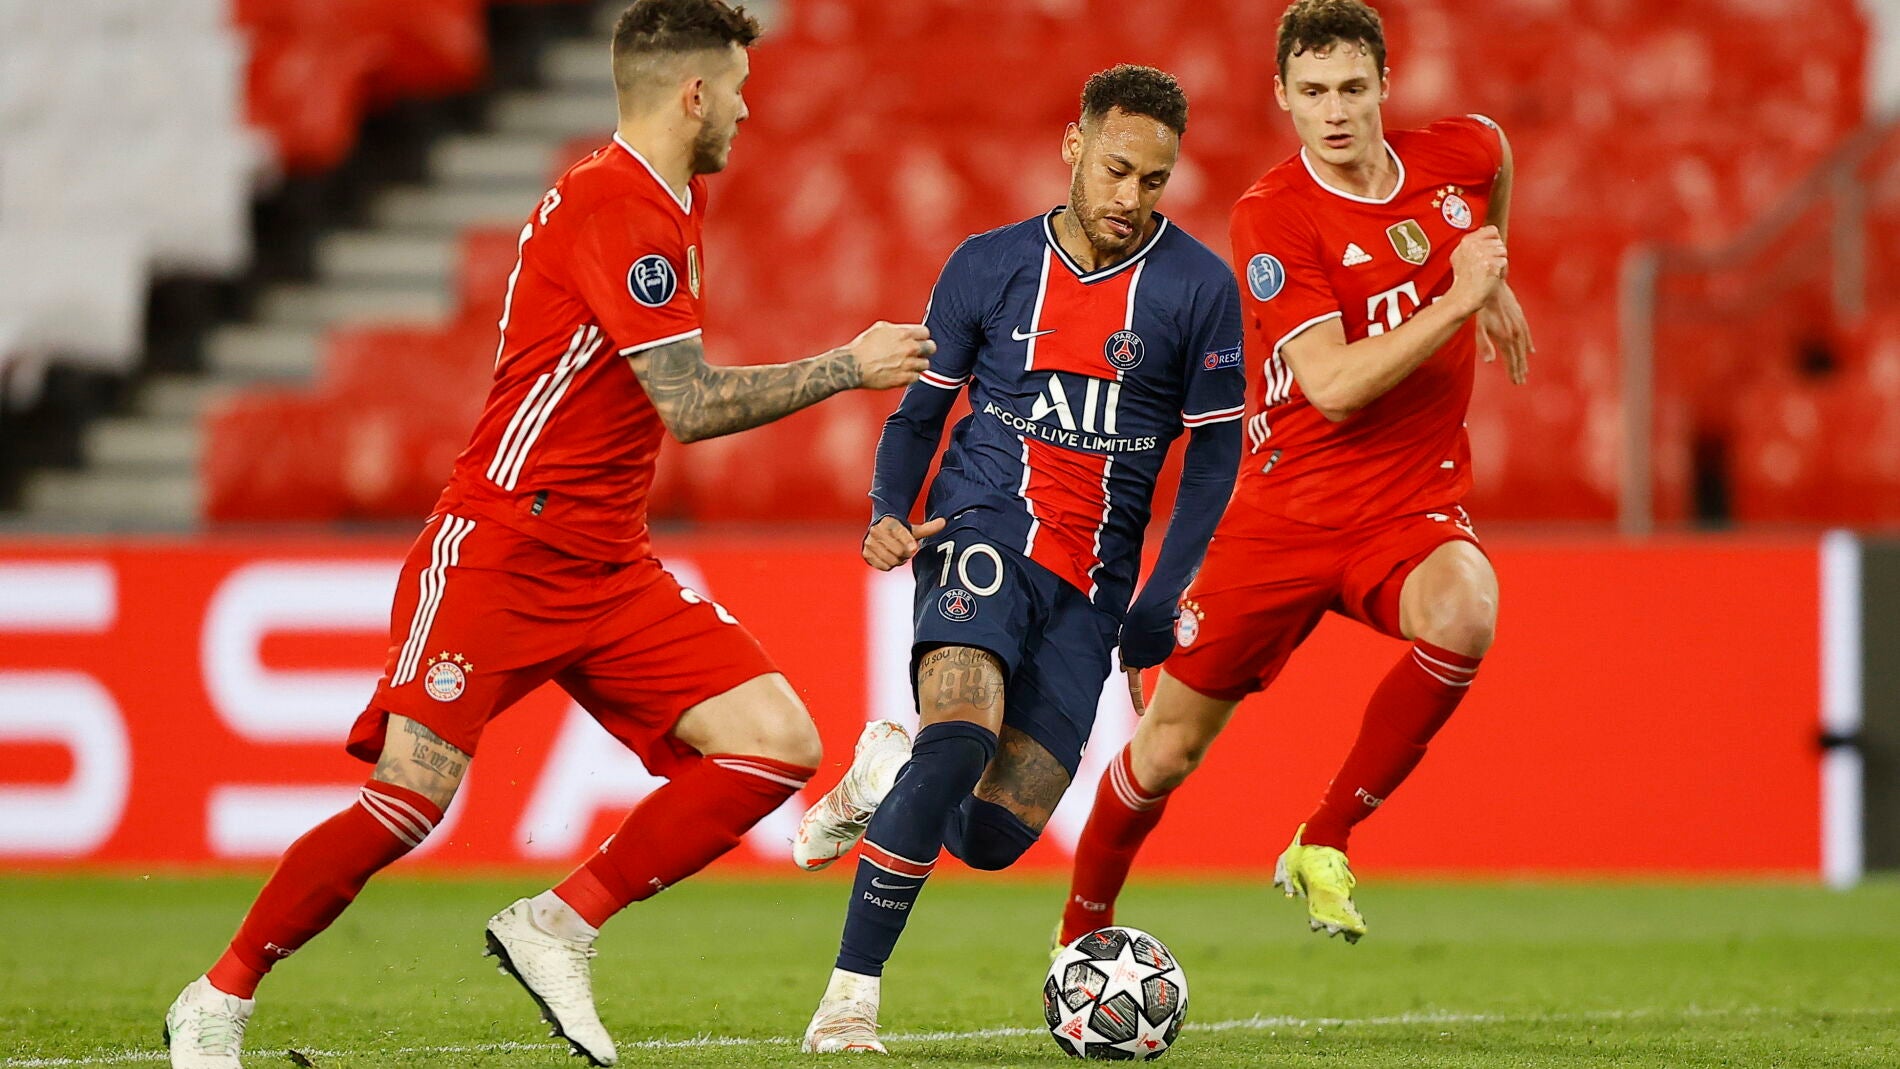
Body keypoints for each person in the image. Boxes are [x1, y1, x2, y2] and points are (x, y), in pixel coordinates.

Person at [161, 3, 935, 1066]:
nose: (748, 110)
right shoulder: (620, 208)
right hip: (503, 548)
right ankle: (218, 996)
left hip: (608, 560)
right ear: (694, 94)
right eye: (737, 90)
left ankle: (558, 924)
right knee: (408, 800)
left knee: (775, 742)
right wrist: (849, 364)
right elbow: (688, 405)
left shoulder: (668, 198)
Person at [1055, 0, 1534, 953]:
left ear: (1386, 84)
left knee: (1467, 610)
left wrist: (1495, 280)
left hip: (1410, 502)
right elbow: (1334, 386)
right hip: (1289, 507)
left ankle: (1326, 837)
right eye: (1312, 93)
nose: (1335, 112)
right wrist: (1459, 299)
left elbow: (1499, 161)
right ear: (1282, 95)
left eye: (1353, 88)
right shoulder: (1273, 215)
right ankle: (1079, 935)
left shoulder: (1461, 155)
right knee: (1168, 748)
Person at [789, 64, 1247, 1054]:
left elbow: (1217, 457)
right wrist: (887, 509)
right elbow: (919, 415)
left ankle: (884, 771)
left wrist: (1157, 601)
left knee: (993, 836)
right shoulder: (989, 265)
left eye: (1153, 181)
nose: (1130, 196)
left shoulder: (1199, 289)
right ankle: (848, 999)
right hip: (981, 531)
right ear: (1074, 146)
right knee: (958, 740)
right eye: (1116, 169)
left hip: (1093, 586)